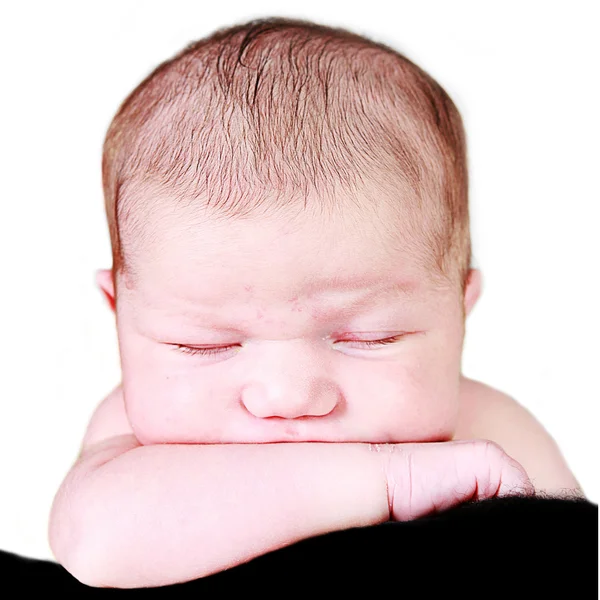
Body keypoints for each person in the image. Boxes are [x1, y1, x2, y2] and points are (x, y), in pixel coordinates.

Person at [48, 16, 582, 589]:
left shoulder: (489, 432)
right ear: (119, 314)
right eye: (204, 344)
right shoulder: (132, 441)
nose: (288, 398)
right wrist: (389, 482)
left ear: (459, 308)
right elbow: (97, 544)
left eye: (367, 339)